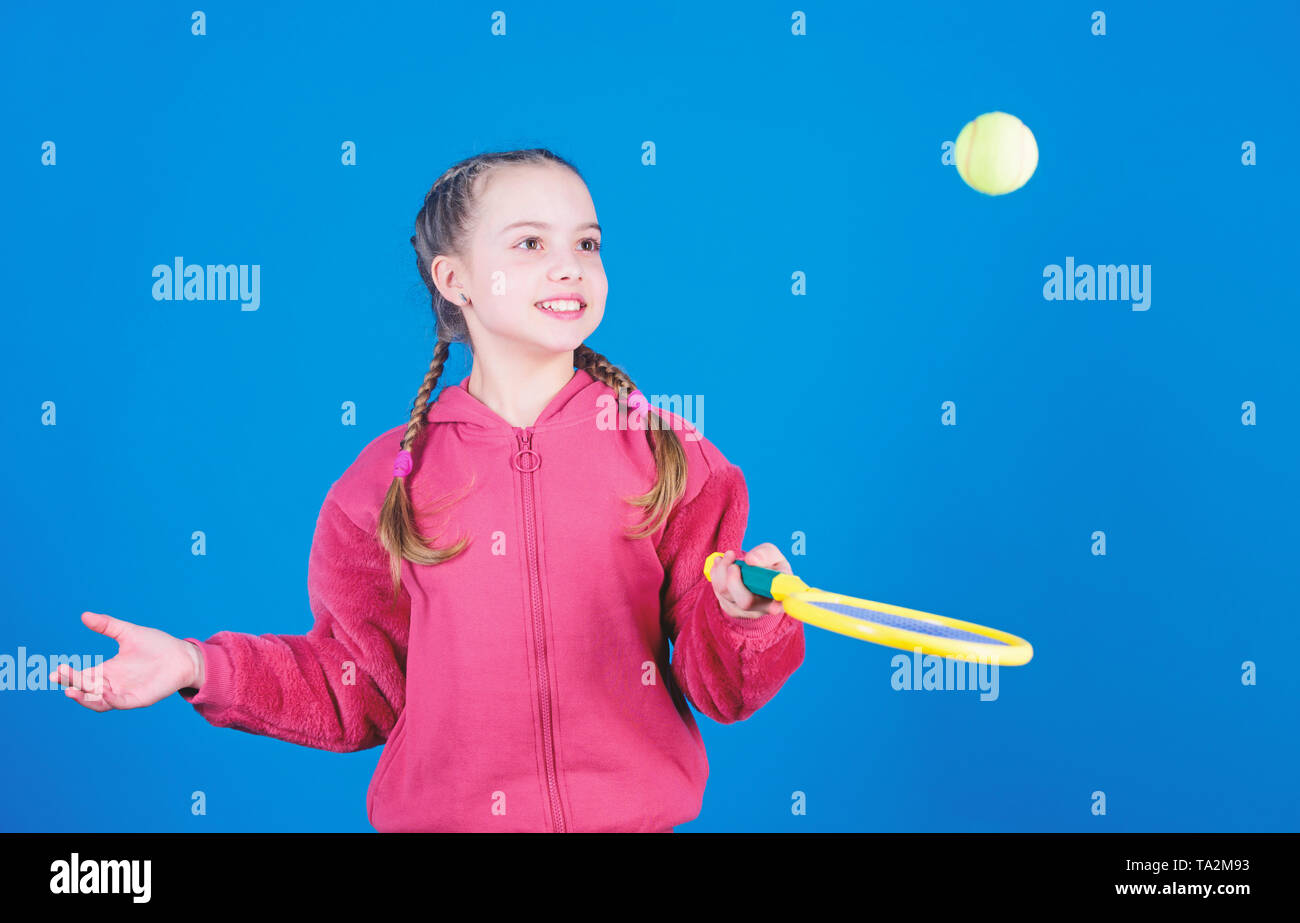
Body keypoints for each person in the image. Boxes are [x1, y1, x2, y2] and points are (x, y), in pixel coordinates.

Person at [51, 148, 805, 832]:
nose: (571, 265)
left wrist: (745, 617)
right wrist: (196, 664)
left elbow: (721, 689)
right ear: (455, 279)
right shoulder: (384, 482)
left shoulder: (671, 454)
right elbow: (352, 686)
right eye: (531, 243)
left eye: (587, 243)